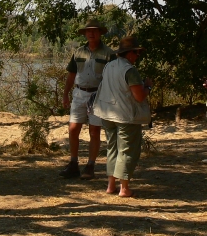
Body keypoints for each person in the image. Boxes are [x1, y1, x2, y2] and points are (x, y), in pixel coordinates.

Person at [93, 36, 153, 197]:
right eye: (137, 53)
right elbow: (139, 96)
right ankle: (124, 188)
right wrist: (148, 87)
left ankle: (111, 185)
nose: (137, 56)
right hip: (125, 115)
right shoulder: (130, 70)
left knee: (112, 148)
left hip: (107, 113)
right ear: (130, 53)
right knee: (127, 150)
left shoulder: (109, 66)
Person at [60, 18, 115, 179]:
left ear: (100, 33)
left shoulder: (109, 53)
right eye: (88, 31)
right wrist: (65, 94)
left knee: (94, 131)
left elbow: (113, 77)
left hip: (98, 95)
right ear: (85, 33)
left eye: (94, 31)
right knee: (73, 128)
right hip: (79, 93)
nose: (91, 33)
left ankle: (90, 166)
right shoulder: (78, 52)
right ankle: (73, 163)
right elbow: (71, 75)